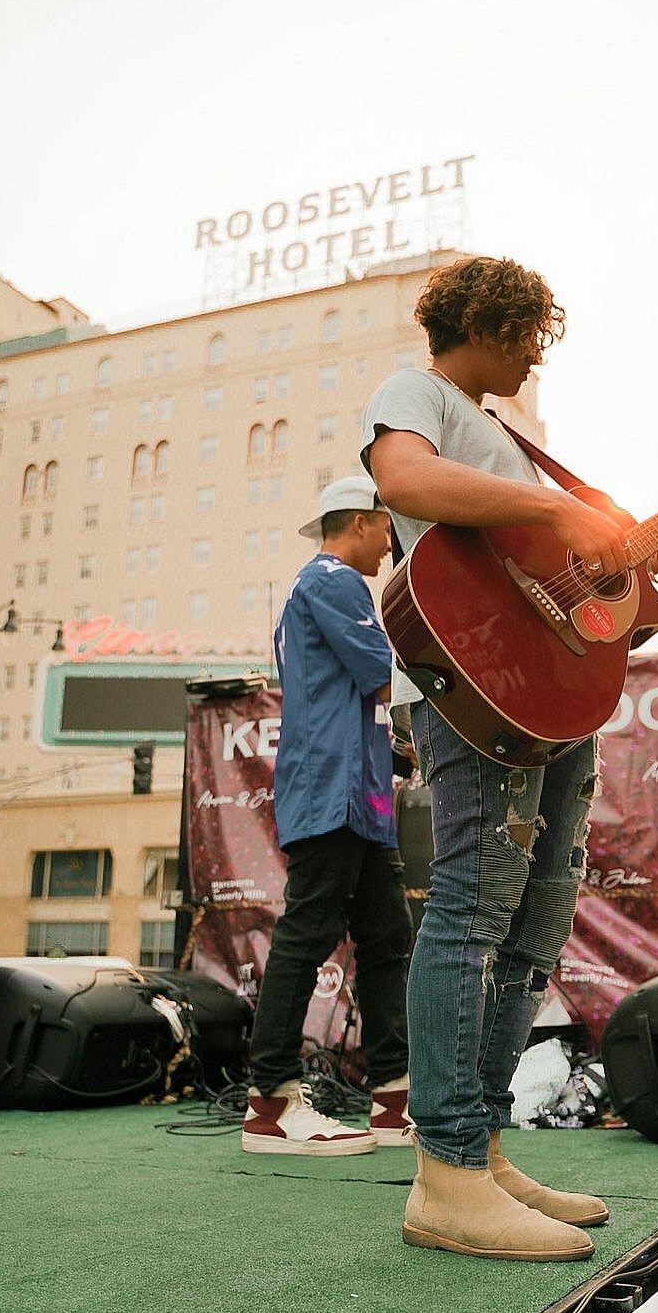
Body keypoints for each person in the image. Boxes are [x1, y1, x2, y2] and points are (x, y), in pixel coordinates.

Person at [362, 255, 658, 1260]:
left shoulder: (515, 447)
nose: (537, 351)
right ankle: (442, 1171)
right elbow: (399, 479)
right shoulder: (423, 393)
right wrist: (555, 509)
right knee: (473, 909)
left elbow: (591, 613)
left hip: (547, 703)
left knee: (534, 927)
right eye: (530, 331)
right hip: (473, 696)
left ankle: (479, 1150)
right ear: (487, 319)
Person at [241, 477, 414, 1157]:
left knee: (385, 935)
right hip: (332, 788)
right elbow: (386, 677)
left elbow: (359, 697)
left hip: (356, 789)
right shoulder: (335, 580)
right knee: (309, 931)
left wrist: (395, 752)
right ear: (362, 523)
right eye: (387, 526)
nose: (391, 539)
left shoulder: (319, 588)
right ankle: (271, 1103)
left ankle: (393, 1101)